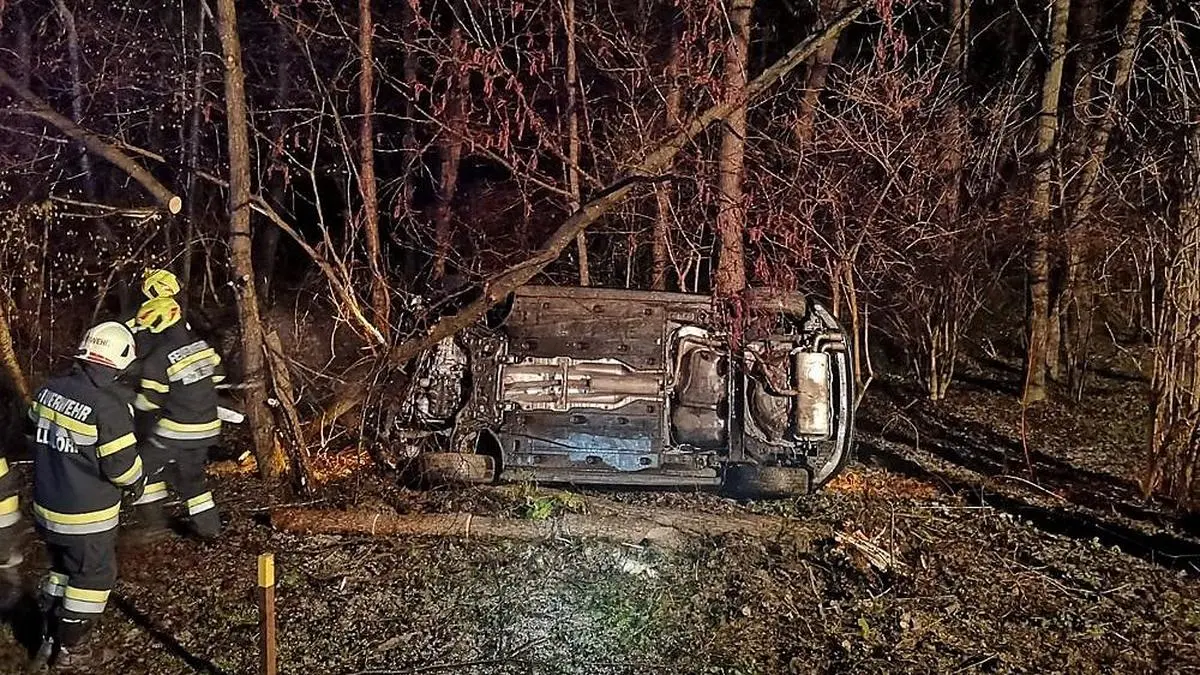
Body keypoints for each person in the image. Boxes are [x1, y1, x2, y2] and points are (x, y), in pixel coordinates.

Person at [27, 321, 145, 672]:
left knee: (62, 570)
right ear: (120, 359)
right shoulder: (107, 406)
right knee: (93, 579)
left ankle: (48, 635)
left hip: (47, 508)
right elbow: (121, 468)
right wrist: (138, 483)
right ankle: (71, 651)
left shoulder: (49, 389)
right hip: (86, 516)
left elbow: (33, 426)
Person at [127, 296, 224, 542]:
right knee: (193, 480)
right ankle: (210, 529)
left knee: (139, 466)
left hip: (176, 431)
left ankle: (153, 524)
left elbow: (149, 402)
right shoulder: (202, 346)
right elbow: (219, 376)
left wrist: (125, 401)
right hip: (208, 429)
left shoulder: (157, 359)